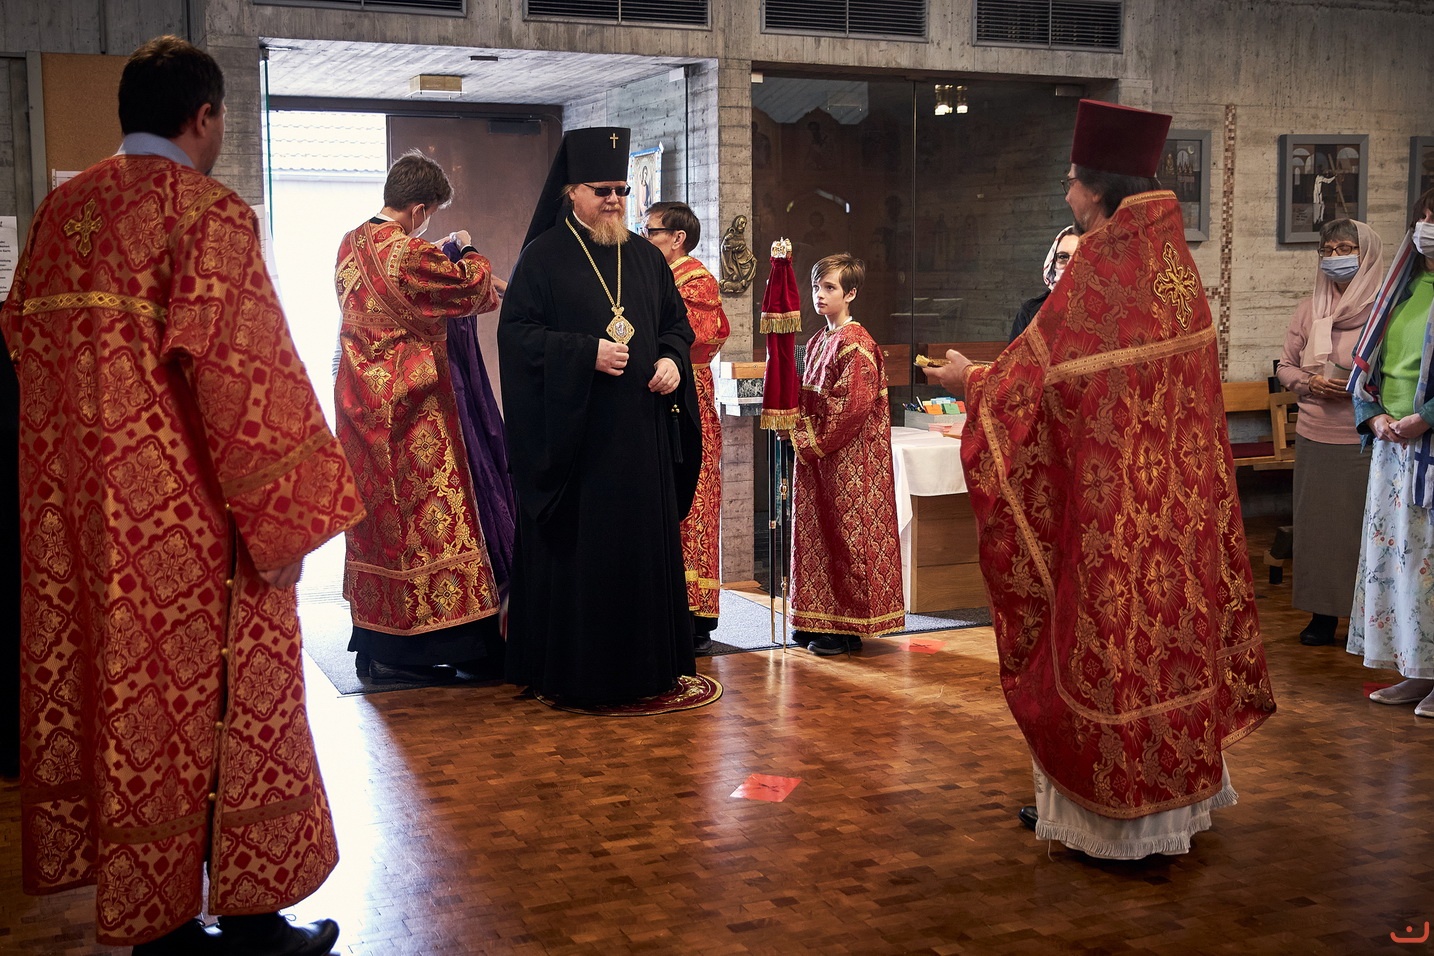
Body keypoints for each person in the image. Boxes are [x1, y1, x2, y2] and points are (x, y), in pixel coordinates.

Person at [0, 36, 364, 954]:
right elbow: (245, 376)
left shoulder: (58, 215)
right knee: (227, 707)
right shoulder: (205, 213)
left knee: (127, 711)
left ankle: (156, 924)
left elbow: (19, 348)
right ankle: (250, 923)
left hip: (77, 528)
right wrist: (286, 524)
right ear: (205, 116)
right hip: (193, 529)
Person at [923, 99, 1275, 859]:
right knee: (1168, 647)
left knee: (1109, 651)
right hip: (1176, 514)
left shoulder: (1097, 269)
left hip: (1110, 516)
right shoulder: (1174, 268)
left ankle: (1114, 823)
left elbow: (1032, 388)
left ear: (1095, 186)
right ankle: (1176, 807)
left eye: (1070, 181)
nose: (1066, 193)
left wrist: (970, 380)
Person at [498, 126, 702, 705]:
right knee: (587, 559)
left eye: (621, 190)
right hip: (578, 446)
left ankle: (648, 670)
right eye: (602, 191)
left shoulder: (646, 258)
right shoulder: (542, 258)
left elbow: (676, 326)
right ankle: (578, 673)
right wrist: (584, 353)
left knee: (639, 556)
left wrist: (672, 359)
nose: (614, 201)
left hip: (641, 439)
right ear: (572, 193)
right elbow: (516, 338)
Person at [334, 151, 513, 684]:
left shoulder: (350, 243)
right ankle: (433, 648)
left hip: (360, 408)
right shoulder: (410, 253)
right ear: (418, 210)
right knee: (432, 527)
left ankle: (379, 644)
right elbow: (473, 287)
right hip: (414, 414)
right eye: (430, 214)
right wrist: (469, 246)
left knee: (379, 529)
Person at [787, 254, 904, 655]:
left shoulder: (857, 343)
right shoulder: (819, 340)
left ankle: (844, 628)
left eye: (829, 288)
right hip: (820, 459)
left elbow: (850, 408)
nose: (819, 295)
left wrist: (805, 437)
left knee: (846, 538)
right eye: (816, 287)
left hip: (850, 460)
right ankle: (815, 618)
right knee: (816, 536)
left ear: (850, 293)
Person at [1275, 219, 1384, 647]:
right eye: (1328, 249)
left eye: (1345, 249)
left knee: (1361, 530)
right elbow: (1285, 367)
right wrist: (1310, 383)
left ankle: (1365, 620)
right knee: (1317, 530)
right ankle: (1321, 615)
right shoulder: (1310, 308)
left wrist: (1364, 389)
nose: (1335, 257)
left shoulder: (1384, 308)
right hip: (1315, 433)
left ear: (1366, 255)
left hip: (1364, 437)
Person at [1348, 187, 1434, 716]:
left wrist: (1427, 417)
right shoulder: (1404, 285)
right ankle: (1415, 669)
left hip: (1429, 445)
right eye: (1424, 217)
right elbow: (1370, 361)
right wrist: (1373, 415)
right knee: (1399, 563)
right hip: (1394, 448)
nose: (1427, 227)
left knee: (1431, 564)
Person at [644, 201, 730, 653]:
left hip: (689, 399)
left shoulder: (696, 282)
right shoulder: (658, 275)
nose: (645, 239)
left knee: (692, 505)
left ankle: (695, 618)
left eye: (652, 231)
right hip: (659, 400)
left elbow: (686, 336)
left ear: (678, 238)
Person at [1009, 225, 1079, 341]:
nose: (1070, 265)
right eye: (1063, 257)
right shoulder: (1030, 312)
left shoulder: (1107, 311)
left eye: (1078, 256)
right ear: (1053, 262)